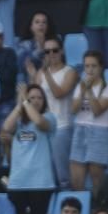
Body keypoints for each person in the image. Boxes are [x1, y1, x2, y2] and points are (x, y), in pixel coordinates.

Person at [1, 84, 56, 214]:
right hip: (18, 182)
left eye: (39, 98)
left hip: (41, 182)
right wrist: (20, 105)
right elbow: (6, 127)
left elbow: (39, 122)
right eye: (32, 97)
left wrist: (25, 102)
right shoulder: (18, 120)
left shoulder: (49, 117)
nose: (36, 101)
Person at [70, 51, 108, 203]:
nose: (89, 70)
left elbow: (97, 111)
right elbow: (73, 109)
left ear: (101, 68)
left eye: (93, 66)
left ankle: (98, 208)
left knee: (96, 175)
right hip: (80, 129)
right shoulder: (80, 87)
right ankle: (82, 210)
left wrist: (89, 90)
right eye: (87, 66)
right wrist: (83, 88)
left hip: (99, 131)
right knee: (76, 179)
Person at [33, 37, 78, 190]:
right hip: (45, 126)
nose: (51, 54)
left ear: (62, 51)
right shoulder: (40, 73)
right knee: (47, 169)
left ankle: (66, 198)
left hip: (63, 125)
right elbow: (34, 97)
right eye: (47, 51)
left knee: (62, 171)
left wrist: (46, 74)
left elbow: (59, 93)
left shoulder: (70, 72)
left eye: (54, 50)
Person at [17, 11, 55, 83]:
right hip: (28, 82)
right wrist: (40, 49)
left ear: (48, 26)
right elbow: (22, 64)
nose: (41, 24)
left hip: (50, 81)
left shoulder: (54, 44)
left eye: (44, 22)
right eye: (37, 22)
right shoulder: (24, 45)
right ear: (31, 27)